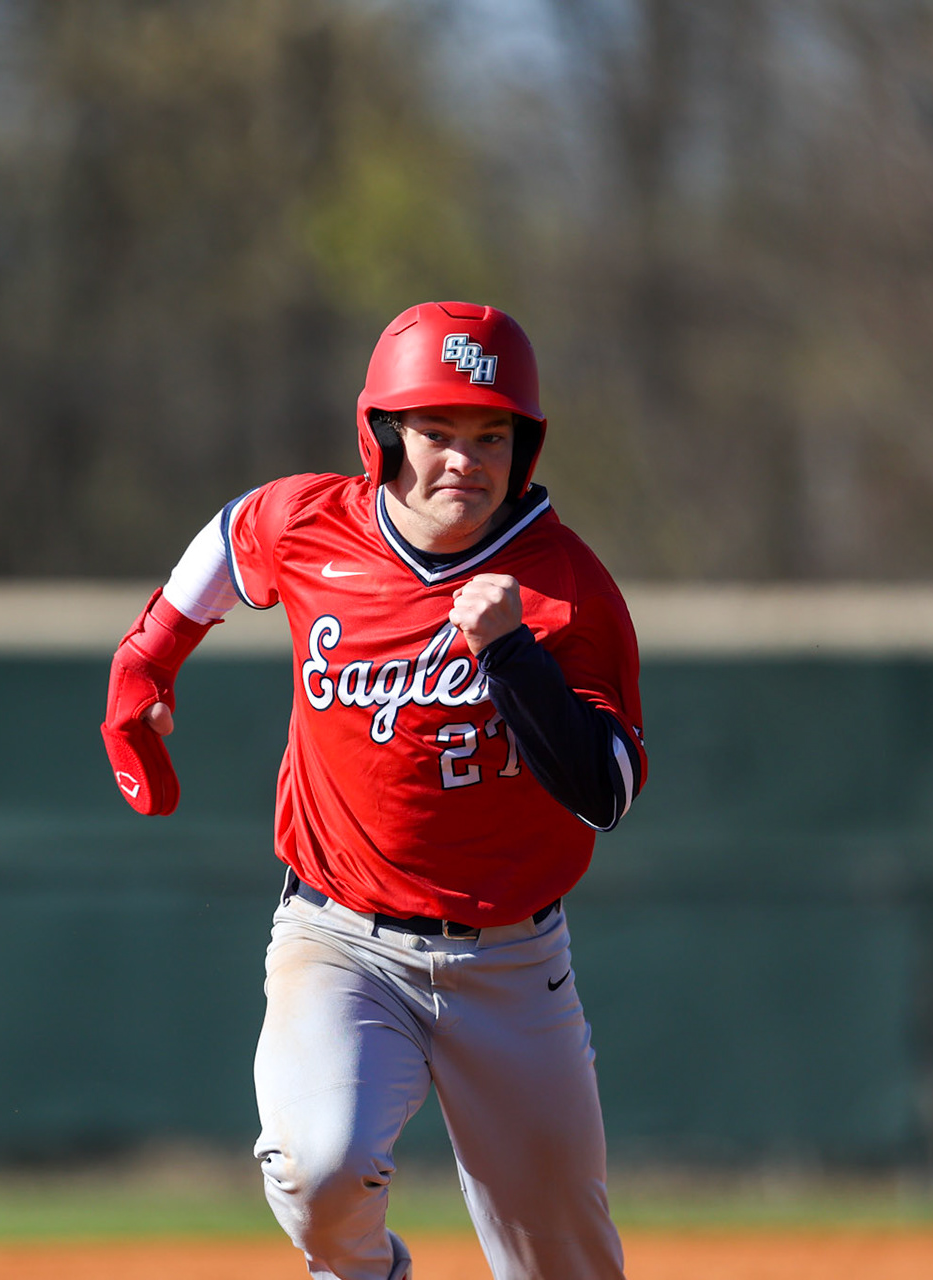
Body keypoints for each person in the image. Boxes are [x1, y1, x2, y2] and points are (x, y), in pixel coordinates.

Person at [102, 302, 647, 1280]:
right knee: (319, 1167)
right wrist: (151, 652)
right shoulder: (314, 522)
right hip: (339, 935)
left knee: (564, 1263)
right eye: (437, 431)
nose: (463, 461)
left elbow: (604, 792)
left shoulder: (565, 588)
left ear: (524, 447)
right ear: (387, 433)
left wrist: (513, 656)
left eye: (491, 435)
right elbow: (231, 539)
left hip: (513, 961)